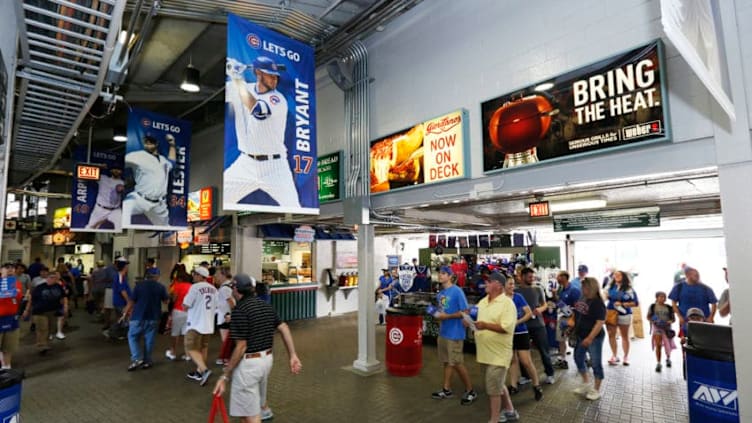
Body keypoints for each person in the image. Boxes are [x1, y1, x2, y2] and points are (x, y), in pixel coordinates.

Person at [212, 274, 302, 423]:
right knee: (249, 411)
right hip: (266, 361)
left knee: (250, 415)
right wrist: (292, 355)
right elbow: (284, 327)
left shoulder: (240, 310)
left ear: (236, 289)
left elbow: (241, 346)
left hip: (249, 366)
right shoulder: (265, 306)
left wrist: (225, 376)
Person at [224, 55, 300, 208]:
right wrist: (228, 70)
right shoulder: (243, 87)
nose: (275, 79)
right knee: (223, 198)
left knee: (294, 207)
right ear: (258, 73)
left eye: (276, 75)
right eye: (270, 75)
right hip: (245, 163)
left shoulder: (278, 99)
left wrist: (237, 78)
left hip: (276, 167)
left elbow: (258, 111)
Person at [471, 272, 519, 423]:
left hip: (499, 355)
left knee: (493, 389)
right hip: (485, 354)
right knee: (497, 384)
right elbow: (475, 315)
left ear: (498, 285)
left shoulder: (507, 304)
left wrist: (485, 325)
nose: (485, 284)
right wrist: (468, 321)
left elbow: (506, 328)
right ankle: (510, 411)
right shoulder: (483, 301)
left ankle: (494, 419)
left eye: (488, 281)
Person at [430, 266, 477, 405]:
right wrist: (436, 314)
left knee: (456, 362)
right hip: (443, 333)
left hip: (455, 333)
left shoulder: (457, 291)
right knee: (447, 362)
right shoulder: (440, 294)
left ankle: (470, 390)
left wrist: (447, 316)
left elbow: (465, 311)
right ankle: (446, 389)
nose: (440, 275)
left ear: (450, 276)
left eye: (443, 273)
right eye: (439, 273)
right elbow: (440, 311)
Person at [504, 276, 543, 401]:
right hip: (508, 334)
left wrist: (516, 322)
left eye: (513, 284)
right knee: (512, 360)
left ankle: (536, 385)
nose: (512, 286)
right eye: (509, 284)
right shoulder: (501, 300)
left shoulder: (518, 297)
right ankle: (513, 385)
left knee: (526, 361)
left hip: (521, 332)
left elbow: (529, 313)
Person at [123, 133, 176, 226]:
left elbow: (172, 162)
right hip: (140, 199)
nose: (147, 144)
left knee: (166, 228)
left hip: (159, 204)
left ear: (156, 143)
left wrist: (172, 145)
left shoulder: (163, 160)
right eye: (146, 141)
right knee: (125, 208)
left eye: (151, 142)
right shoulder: (137, 156)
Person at [515, 268, 556, 384]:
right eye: (529, 277)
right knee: (523, 352)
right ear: (522, 277)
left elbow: (545, 305)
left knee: (544, 351)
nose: (532, 279)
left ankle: (550, 373)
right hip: (522, 326)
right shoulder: (516, 292)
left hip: (538, 325)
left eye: (533, 277)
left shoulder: (538, 289)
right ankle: (526, 376)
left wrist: (540, 309)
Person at [127, 267, 168, 370]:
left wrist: (126, 312)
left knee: (132, 337)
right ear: (157, 276)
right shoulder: (160, 287)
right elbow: (166, 301)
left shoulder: (139, 286)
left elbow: (132, 301)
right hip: (153, 317)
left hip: (138, 317)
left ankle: (137, 358)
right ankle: (147, 361)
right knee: (149, 340)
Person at [571, 277, 606, 401]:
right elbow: (577, 313)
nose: (582, 289)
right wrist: (572, 324)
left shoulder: (598, 303)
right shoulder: (582, 297)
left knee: (596, 362)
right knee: (578, 358)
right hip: (581, 334)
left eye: (584, 288)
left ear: (591, 288)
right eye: (582, 287)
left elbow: (600, 323)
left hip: (594, 337)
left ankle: (596, 389)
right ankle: (586, 383)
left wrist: (590, 338)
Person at [183, 266, 218, 386]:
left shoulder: (195, 287)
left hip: (195, 324)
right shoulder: (214, 289)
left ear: (199, 276)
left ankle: (204, 370)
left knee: (191, 348)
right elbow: (216, 306)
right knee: (203, 347)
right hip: (208, 324)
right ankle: (199, 372)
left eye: (194, 274)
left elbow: (186, 305)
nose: (193, 276)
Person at [23, 271, 67, 354]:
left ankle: (46, 343)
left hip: (53, 311)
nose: (53, 279)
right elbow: (31, 299)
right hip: (40, 311)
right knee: (42, 329)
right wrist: (27, 310)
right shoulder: (40, 288)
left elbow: (63, 297)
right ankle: (41, 346)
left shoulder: (58, 287)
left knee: (51, 328)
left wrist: (65, 307)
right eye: (51, 277)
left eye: (55, 278)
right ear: (47, 278)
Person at [668, 267, 717, 334]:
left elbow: (714, 304)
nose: (697, 277)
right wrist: (680, 317)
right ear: (688, 275)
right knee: (687, 341)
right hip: (686, 322)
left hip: (704, 322)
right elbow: (673, 303)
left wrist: (711, 317)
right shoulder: (679, 287)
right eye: (695, 275)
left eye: (698, 275)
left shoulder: (706, 288)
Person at [605, 270, 639, 366]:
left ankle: (626, 357)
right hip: (611, 312)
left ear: (624, 276)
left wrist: (623, 304)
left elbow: (635, 303)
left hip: (624, 314)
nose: (616, 276)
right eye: (615, 275)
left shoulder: (629, 289)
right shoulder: (610, 287)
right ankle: (614, 356)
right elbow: (605, 296)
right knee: (611, 335)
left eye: (619, 275)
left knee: (624, 336)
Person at [554, 271, 580, 369]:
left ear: (564, 277)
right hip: (562, 317)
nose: (556, 278)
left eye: (558, 276)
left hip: (571, 318)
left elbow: (578, 306)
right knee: (561, 339)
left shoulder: (574, 290)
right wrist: (554, 295)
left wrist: (573, 319)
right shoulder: (561, 289)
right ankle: (562, 359)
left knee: (575, 340)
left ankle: (583, 358)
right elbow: (560, 302)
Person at [165, 265, 192, 362]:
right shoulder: (191, 287)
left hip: (178, 310)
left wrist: (171, 298)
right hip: (188, 312)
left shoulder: (178, 285)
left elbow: (174, 298)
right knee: (186, 333)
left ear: (179, 278)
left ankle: (173, 352)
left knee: (175, 333)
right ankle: (188, 354)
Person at [85, 166, 124, 230]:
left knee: (120, 228)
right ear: (111, 170)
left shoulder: (122, 182)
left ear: (121, 171)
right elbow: (86, 172)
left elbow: (122, 189)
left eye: (118, 169)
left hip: (115, 210)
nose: (116, 171)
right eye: (114, 169)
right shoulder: (103, 178)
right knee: (89, 228)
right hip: (100, 209)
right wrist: (100, 167)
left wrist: (122, 188)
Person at [0, 264, 24, 368]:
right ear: (1, 270)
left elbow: (17, 296)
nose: (10, 270)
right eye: (7, 268)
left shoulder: (16, 283)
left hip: (12, 318)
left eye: (12, 269)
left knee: (9, 346)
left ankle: (7, 367)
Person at [646, 291, 676, 372]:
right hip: (657, 328)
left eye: (664, 297)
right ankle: (658, 363)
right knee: (658, 345)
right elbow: (648, 317)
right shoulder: (652, 306)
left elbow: (673, 319)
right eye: (660, 296)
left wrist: (669, 322)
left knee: (667, 345)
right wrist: (654, 321)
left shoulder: (669, 307)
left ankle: (668, 358)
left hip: (666, 328)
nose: (662, 298)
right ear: (656, 297)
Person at [104, 257, 132, 340]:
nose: (127, 267)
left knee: (122, 318)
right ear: (124, 267)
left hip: (121, 302)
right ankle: (110, 332)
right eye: (126, 265)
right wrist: (128, 301)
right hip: (120, 302)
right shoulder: (120, 277)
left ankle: (117, 333)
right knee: (122, 318)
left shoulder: (121, 276)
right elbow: (122, 290)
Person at [215, 267, 236, 365]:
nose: (216, 276)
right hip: (226, 316)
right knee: (227, 340)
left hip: (225, 317)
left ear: (223, 275)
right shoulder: (229, 286)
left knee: (226, 340)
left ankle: (228, 358)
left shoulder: (224, 288)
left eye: (218, 274)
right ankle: (225, 357)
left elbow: (231, 302)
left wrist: (232, 314)